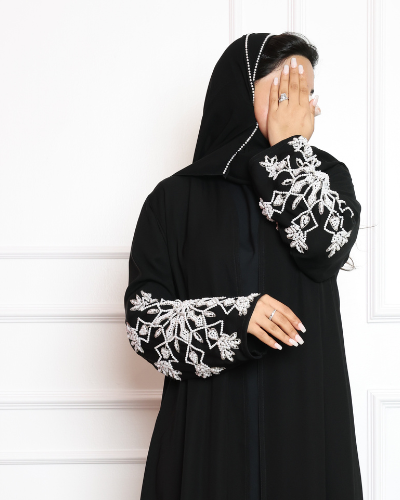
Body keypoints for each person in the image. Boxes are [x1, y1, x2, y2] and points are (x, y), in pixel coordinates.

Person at [124, 32, 363, 500]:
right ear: (240, 90)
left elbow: (321, 248)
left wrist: (289, 150)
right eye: (288, 89)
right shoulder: (174, 199)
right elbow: (144, 324)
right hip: (208, 429)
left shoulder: (327, 178)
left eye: (308, 93)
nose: (303, 106)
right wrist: (236, 319)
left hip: (305, 424)